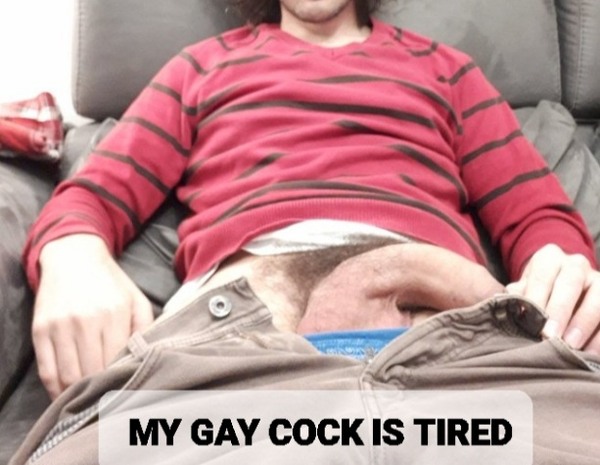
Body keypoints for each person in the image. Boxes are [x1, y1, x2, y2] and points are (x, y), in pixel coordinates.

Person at [22, 0, 600, 403]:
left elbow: (537, 215)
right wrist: (72, 254)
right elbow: (93, 195)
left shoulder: (448, 70)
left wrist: (566, 273)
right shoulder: (199, 66)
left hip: (447, 328)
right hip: (239, 330)